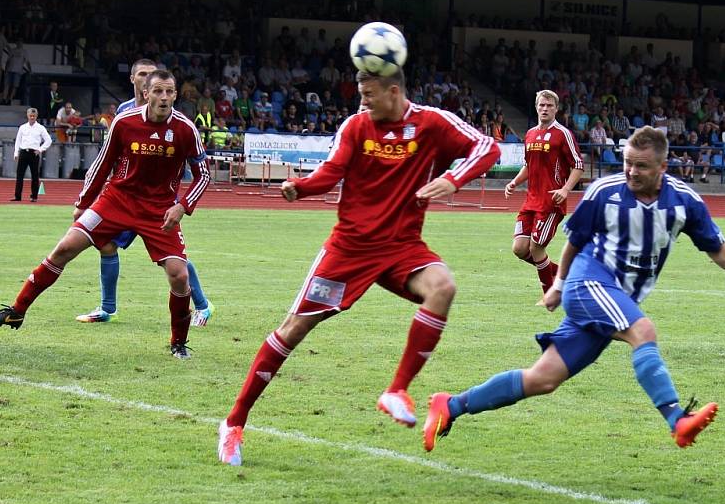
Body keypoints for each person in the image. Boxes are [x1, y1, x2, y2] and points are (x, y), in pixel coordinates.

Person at [423, 126, 725, 453]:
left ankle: (451, 405)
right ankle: (677, 420)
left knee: (543, 379)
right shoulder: (604, 192)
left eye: (642, 166)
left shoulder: (684, 202)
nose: (632, 172)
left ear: (663, 166)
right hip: (589, 283)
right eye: (627, 163)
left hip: (613, 299)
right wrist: (559, 286)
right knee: (643, 331)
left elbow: (715, 246)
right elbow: (575, 244)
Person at [217, 67, 500, 465]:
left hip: (403, 247)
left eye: (369, 93)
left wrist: (453, 178)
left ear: (393, 91)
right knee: (293, 329)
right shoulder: (356, 127)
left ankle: (397, 390)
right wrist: (303, 186)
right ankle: (233, 424)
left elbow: (487, 147)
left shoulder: (430, 123)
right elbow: (332, 171)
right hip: (349, 251)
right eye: (361, 94)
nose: (362, 101)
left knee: (443, 287)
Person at [0, 70, 211, 359]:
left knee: (179, 276)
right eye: (157, 91)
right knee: (64, 248)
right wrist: (83, 202)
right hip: (116, 201)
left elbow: (203, 175)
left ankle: (178, 343)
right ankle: (17, 311)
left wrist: (182, 206)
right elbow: (102, 164)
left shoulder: (185, 129)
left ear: (175, 95)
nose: (163, 97)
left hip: (159, 210)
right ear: (146, 93)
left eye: (169, 92)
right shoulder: (124, 122)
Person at [75, 59, 215, 327]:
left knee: (174, 260)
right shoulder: (125, 113)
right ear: (133, 80)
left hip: (158, 202)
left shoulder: (176, 119)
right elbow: (110, 155)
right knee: (105, 244)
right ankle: (107, 308)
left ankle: (202, 305)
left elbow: (199, 169)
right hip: (125, 197)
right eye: (142, 74)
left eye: (152, 75)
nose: (147, 79)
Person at [504, 90, 584, 299]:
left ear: (556, 108)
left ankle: (550, 296)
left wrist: (565, 189)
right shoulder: (530, 134)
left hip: (551, 202)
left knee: (536, 248)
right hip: (530, 201)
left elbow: (578, 165)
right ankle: (564, 275)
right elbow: (528, 166)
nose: (545, 109)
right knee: (520, 248)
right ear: (536, 107)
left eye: (549, 105)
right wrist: (514, 182)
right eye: (541, 105)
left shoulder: (563, 134)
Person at [12, 107, 52, 202]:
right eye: (30, 116)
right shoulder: (22, 127)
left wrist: (40, 149)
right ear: (27, 116)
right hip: (23, 152)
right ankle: (17, 196)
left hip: (34, 153)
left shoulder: (41, 128)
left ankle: (34, 196)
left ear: (36, 116)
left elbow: (48, 140)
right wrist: (16, 152)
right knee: (19, 175)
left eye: (34, 116)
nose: (32, 117)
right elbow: (18, 141)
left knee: (35, 176)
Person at [1, 41, 31, 106]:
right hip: (9, 70)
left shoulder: (24, 52)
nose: (19, 44)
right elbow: (8, 61)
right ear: (16, 43)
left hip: (18, 71)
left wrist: (30, 70)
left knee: (15, 86)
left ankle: (10, 99)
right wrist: (6, 69)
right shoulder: (12, 50)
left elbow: (27, 62)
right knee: (7, 85)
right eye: (18, 42)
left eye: (21, 42)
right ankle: (4, 99)